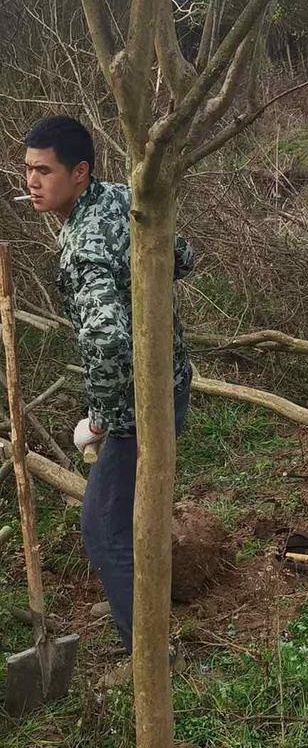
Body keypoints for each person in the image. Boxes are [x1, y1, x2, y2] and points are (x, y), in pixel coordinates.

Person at [24, 114, 194, 656]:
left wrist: (101, 415)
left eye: (43, 171)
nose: (32, 182)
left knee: (102, 528)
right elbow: (183, 256)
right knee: (132, 513)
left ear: (79, 172)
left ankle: (149, 650)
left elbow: (105, 339)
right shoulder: (126, 197)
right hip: (173, 378)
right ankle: (144, 609)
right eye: (27, 169)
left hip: (137, 403)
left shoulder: (82, 244)